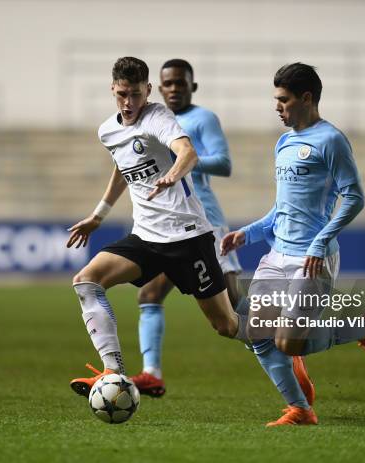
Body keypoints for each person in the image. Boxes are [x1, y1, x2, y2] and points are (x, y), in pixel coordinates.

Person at [66, 56, 249, 398]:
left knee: (226, 325)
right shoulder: (108, 130)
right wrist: (98, 215)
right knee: (86, 281)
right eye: (122, 94)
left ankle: (282, 343)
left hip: (188, 237)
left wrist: (172, 176)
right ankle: (113, 373)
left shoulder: (158, 117)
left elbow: (188, 152)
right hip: (147, 238)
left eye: (136, 94)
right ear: (113, 90)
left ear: (148, 90)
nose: (129, 102)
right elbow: (123, 168)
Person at [221, 62, 365, 426]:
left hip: (312, 261)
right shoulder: (283, 142)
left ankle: (362, 328)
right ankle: (301, 409)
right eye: (276, 100)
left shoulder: (331, 140)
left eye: (283, 100)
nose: (277, 107)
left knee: (287, 344)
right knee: (254, 333)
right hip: (276, 254)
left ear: (307, 98)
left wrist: (320, 241)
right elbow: (282, 209)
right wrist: (247, 233)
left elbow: (355, 196)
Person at [129, 59, 243, 397]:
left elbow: (224, 163)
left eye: (181, 83)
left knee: (238, 307)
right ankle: (151, 374)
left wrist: (179, 157)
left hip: (204, 222)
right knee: (149, 293)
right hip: (168, 224)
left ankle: (293, 349)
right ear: (159, 88)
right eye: (169, 84)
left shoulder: (202, 119)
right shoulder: (152, 119)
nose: (175, 89)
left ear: (193, 86)